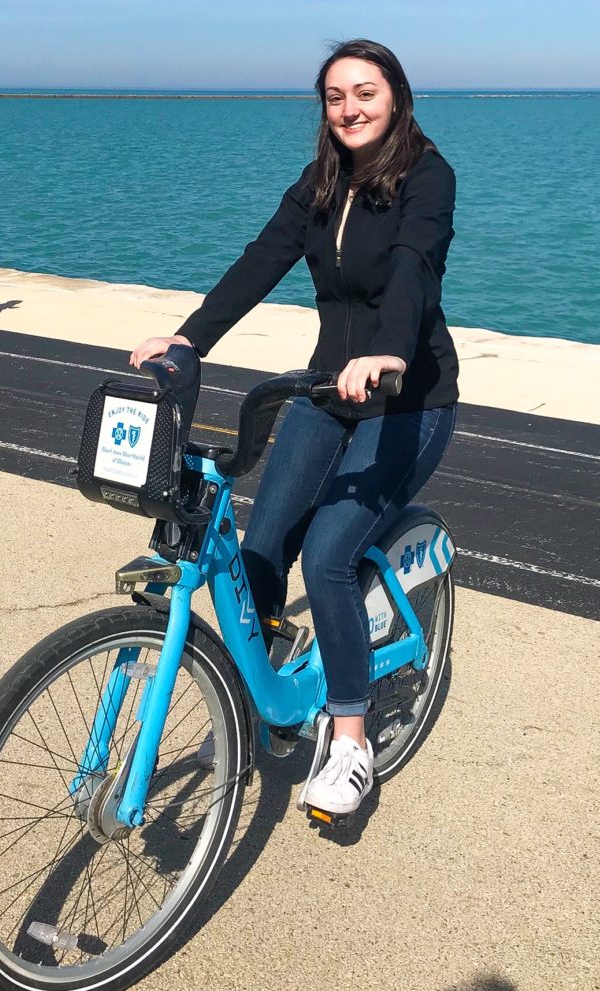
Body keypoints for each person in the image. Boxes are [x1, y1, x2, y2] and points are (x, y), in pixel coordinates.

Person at [129, 39, 458, 817]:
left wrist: (388, 349)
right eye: (336, 95)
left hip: (410, 397)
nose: (350, 107)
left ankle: (349, 739)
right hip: (325, 388)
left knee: (330, 553)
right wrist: (188, 339)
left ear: (396, 96)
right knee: (259, 545)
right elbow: (261, 259)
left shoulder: (428, 177)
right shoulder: (319, 184)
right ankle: (256, 699)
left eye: (365, 91)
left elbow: (414, 266)